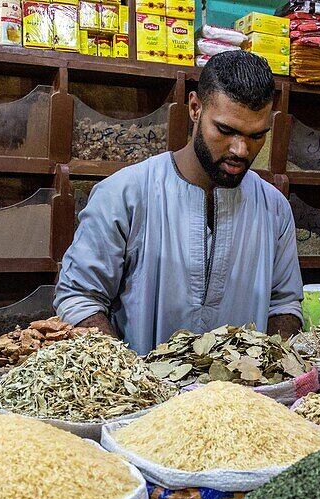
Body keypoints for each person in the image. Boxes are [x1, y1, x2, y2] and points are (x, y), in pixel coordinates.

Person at [54, 51, 303, 354]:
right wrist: (127, 378)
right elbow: (79, 298)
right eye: (225, 130)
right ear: (195, 107)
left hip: (244, 398)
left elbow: (284, 304)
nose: (240, 150)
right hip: (143, 396)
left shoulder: (274, 208)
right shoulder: (124, 194)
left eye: (256, 136)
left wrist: (271, 371)